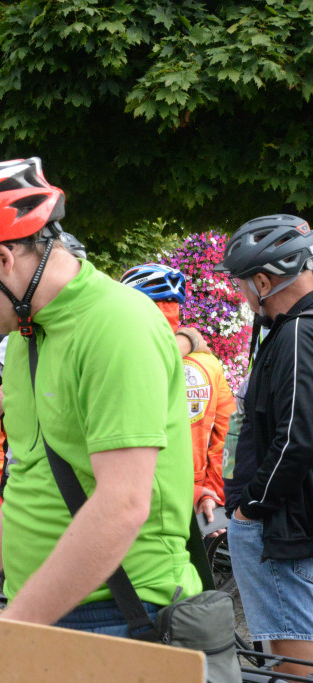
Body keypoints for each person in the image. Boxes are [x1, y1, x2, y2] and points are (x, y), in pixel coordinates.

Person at [0, 157, 200, 637]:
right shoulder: (24, 338)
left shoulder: (116, 324)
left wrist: (15, 628)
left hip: (119, 615)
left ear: (2, 259)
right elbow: (34, 491)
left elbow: (122, 504)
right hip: (49, 613)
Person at [214, 214, 313, 675]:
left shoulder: (297, 332)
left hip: (282, 525)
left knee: (289, 654)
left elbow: (295, 435)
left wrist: (251, 506)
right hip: (287, 522)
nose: (241, 296)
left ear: (263, 281)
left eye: (241, 285)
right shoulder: (292, 329)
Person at [119, 263, 235, 533]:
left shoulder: (127, 359)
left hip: (143, 499)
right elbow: (230, 432)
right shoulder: (208, 363)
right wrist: (213, 494)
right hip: (200, 504)